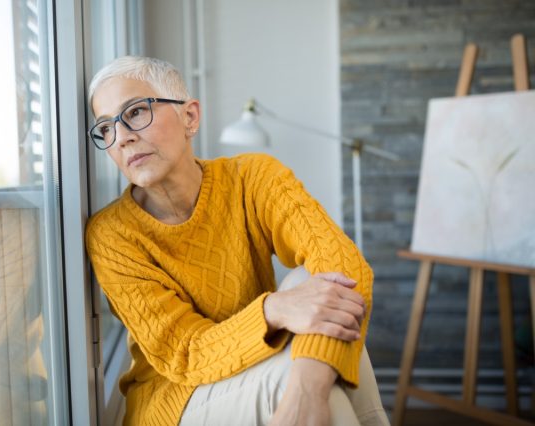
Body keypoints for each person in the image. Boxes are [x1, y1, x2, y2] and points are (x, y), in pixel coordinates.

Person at [85, 55, 388, 426]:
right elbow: (185, 353)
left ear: (190, 117)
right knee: (303, 363)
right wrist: (273, 310)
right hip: (175, 399)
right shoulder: (112, 234)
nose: (123, 137)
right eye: (105, 129)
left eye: (134, 112)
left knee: (318, 286)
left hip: (258, 360)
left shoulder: (253, 178)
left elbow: (348, 268)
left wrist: (307, 389)